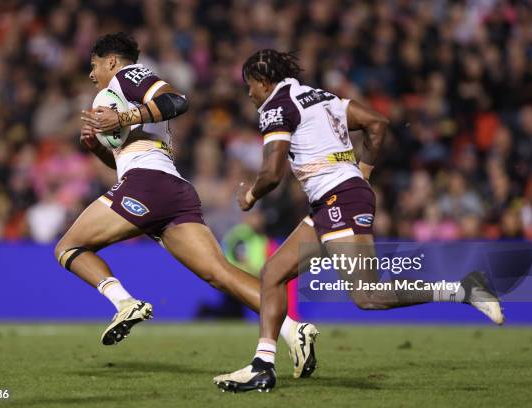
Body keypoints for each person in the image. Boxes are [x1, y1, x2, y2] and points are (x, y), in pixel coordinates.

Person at [213, 49, 504, 393]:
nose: (248, 93)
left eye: (249, 85)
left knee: (368, 295)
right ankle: (263, 364)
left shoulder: (277, 106)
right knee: (273, 274)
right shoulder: (318, 96)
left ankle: (463, 289)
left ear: (263, 82)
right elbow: (377, 123)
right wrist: (362, 175)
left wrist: (250, 196)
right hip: (332, 199)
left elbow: (273, 172)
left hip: (338, 199)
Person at [54, 33, 318, 377]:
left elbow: (177, 101)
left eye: (93, 66)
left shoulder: (128, 76)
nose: (91, 75)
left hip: (148, 185)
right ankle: (293, 329)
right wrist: (98, 148)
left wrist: (120, 120)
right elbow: (131, 155)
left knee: (68, 246)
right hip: (168, 188)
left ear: (111, 62)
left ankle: (125, 303)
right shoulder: (122, 95)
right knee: (220, 274)